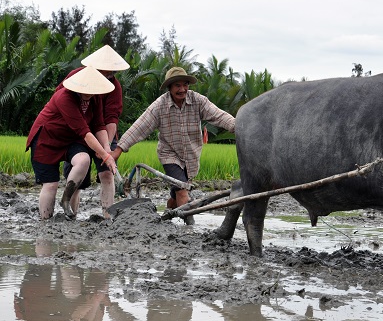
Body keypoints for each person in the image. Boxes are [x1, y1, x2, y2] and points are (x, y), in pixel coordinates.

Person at [110, 66, 236, 225]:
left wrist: (239, 126)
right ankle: (190, 228)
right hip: (169, 154)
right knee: (182, 190)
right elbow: (140, 127)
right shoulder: (159, 106)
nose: (182, 89)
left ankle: (165, 217)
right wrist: (119, 149)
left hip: (191, 156)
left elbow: (219, 115)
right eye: (177, 86)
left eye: (185, 85)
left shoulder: (198, 101)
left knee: (176, 195)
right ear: (169, 87)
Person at [26, 66, 118, 219]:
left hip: (70, 139)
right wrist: (105, 157)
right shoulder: (64, 97)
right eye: (87, 89)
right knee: (51, 184)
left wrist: (106, 149)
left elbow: (99, 125)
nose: (89, 93)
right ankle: (45, 221)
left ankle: (66, 199)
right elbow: (85, 133)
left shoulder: (95, 98)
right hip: (47, 138)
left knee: (83, 160)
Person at [58, 45, 130, 218]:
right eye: (108, 71)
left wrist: (105, 148)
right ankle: (71, 215)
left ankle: (107, 216)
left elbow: (111, 118)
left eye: (113, 71)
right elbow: (62, 101)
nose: (111, 74)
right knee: (77, 175)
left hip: (104, 132)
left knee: (107, 173)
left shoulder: (114, 86)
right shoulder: (76, 77)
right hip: (77, 132)